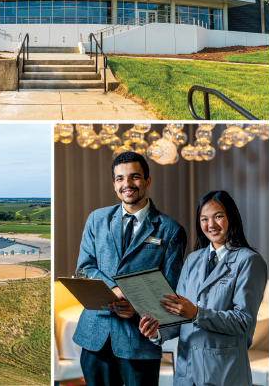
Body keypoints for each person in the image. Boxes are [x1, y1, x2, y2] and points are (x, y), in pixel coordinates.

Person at [72, 152, 187, 386]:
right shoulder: (97, 219)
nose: (127, 184)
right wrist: (114, 289)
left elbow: (171, 288)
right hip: (96, 335)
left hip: (139, 340)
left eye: (134, 177)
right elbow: (84, 267)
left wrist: (136, 307)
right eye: (120, 178)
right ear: (114, 184)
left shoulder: (171, 230)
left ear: (147, 181)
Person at [137, 191, 268, 386]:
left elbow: (244, 322)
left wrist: (197, 314)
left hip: (223, 373)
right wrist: (157, 331)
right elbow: (178, 313)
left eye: (218, 216)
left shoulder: (249, 261)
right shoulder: (192, 260)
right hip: (186, 372)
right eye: (204, 219)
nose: (211, 225)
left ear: (231, 217)